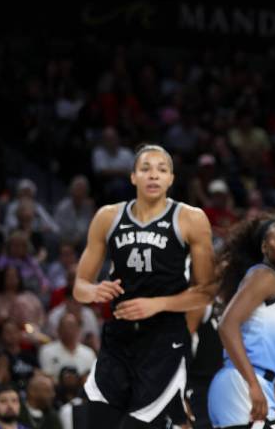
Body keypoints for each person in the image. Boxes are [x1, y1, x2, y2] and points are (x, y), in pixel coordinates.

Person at [73, 144, 215, 428]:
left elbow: (207, 291)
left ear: (171, 179)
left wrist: (158, 303)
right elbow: (79, 286)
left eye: (162, 170)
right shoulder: (107, 217)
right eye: (146, 169)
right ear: (133, 177)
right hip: (117, 340)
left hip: (165, 342)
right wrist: (94, 291)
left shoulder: (191, 218)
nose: (154, 175)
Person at [207, 215, 275, 429]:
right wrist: (252, 384)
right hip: (240, 385)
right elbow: (227, 326)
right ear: (265, 247)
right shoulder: (263, 276)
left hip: (258, 383)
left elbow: (270, 366)